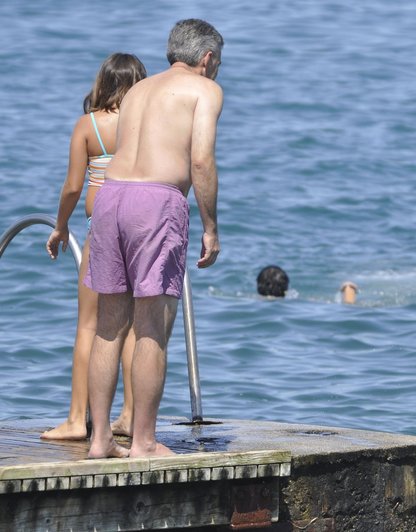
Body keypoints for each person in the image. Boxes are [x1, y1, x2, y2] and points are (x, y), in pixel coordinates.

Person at [84, 19, 224, 458]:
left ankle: (101, 439)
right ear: (207, 58)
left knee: (108, 326)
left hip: (112, 196)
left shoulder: (138, 91)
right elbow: (200, 160)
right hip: (156, 202)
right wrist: (211, 227)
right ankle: (143, 441)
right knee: (152, 328)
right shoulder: (205, 90)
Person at [43, 53, 147, 441]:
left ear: (102, 82)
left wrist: (59, 226)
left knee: (90, 324)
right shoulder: (145, 124)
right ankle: (130, 417)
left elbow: (73, 186)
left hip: (100, 224)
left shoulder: (89, 125)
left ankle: (75, 419)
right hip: (139, 223)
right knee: (134, 326)